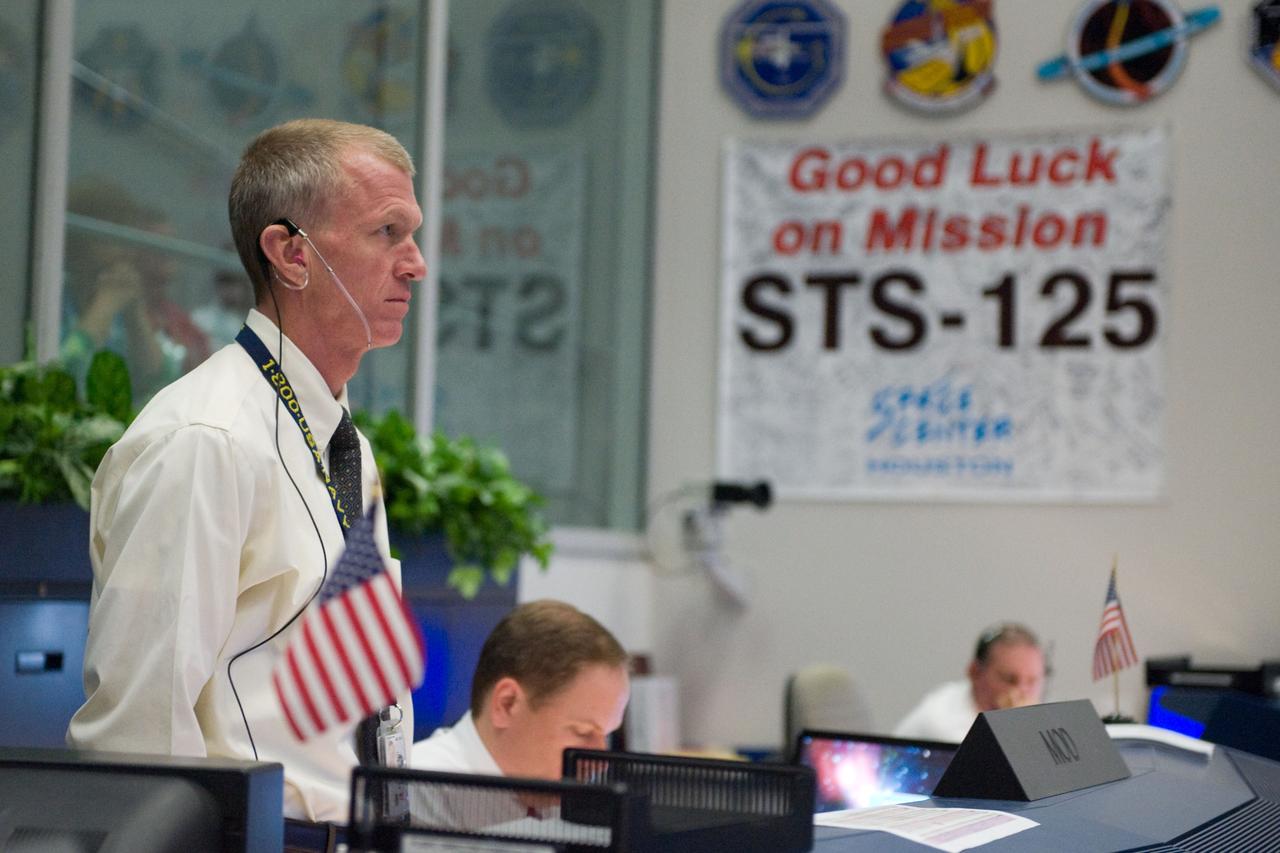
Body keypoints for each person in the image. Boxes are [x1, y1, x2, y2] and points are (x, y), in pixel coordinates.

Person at [66, 118, 427, 832]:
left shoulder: (343, 439)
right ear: (291, 254)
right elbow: (138, 741)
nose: (415, 263)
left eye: (413, 234)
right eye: (387, 233)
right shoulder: (204, 440)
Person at [411, 599, 631, 780]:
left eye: (607, 735)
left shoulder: (552, 807)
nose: (601, 765)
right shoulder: (414, 793)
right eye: (583, 733)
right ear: (507, 704)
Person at [61, 179, 202, 398]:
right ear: (82, 243)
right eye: (113, 237)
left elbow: (162, 382)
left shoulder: (122, 313)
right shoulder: (56, 297)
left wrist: (135, 314)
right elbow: (59, 375)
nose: (126, 252)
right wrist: (103, 308)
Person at [893, 622, 1047, 743]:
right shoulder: (944, 725)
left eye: (1032, 681)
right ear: (975, 672)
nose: (1022, 692)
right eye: (1009, 679)